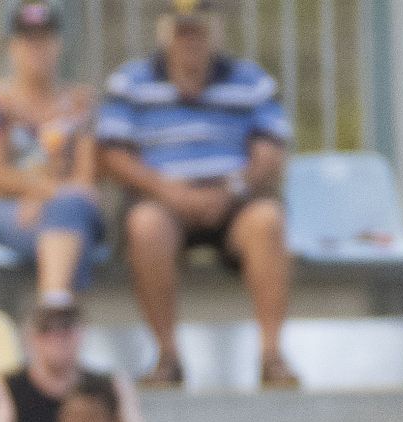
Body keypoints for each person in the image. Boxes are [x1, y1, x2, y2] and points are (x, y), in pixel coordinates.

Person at [98, 0, 298, 389]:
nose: (190, 41)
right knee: (145, 226)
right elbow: (114, 156)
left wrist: (233, 189)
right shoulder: (130, 82)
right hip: (161, 201)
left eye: (198, 30)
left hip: (236, 202)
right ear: (164, 31)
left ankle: (272, 356)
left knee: (268, 221)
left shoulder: (252, 81)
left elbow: (271, 153)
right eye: (182, 30)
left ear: (217, 30)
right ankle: (167, 356)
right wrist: (167, 190)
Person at [0, 3, 106, 305]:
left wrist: (47, 198)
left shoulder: (81, 103)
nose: (36, 49)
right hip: (8, 209)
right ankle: (60, 309)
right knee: (69, 219)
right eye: (27, 41)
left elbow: (86, 177)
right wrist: (47, 192)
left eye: (44, 40)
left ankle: (51, 309)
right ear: (11, 47)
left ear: (59, 44)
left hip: (63, 206)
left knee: (69, 210)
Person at [3, 301, 142, 422]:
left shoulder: (110, 385)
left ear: (83, 331)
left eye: (66, 327)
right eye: (45, 328)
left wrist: (124, 397)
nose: (57, 335)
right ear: (29, 336)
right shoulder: (8, 388)